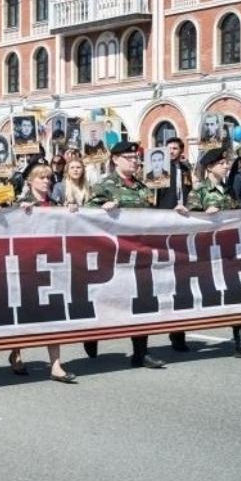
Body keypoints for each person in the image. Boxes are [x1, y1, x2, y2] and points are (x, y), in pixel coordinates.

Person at [84, 141, 165, 368]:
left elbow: (150, 216)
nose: (135, 161)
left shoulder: (142, 186)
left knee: (142, 298)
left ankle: (141, 352)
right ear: (115, 160)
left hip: (139, 252)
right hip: (112, 255)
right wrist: (102, 209)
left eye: (136, 158)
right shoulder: (105, 186)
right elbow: (86, 216)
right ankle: (92, 332)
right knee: (106, 298)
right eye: (129, 158)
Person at [185, 147, 241, 358]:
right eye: (222, 164)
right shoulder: (199, 191)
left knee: (238, 290)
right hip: (206, 254)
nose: (226, 166)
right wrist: (202, 214)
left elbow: (237, 209)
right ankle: (178, 332)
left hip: (228, 251)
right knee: (194, 294)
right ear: (210, 167)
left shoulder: (228, 190)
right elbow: (188, 221)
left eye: (226, 163)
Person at [9, 164, 77, 382]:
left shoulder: (56, 205)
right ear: (30, 181)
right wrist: (18, 213)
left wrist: (72, 213)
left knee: (53, 313)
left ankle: (56, 365)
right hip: (26, 264)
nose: (46, 181)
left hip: (52, 263)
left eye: (48, 178)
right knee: (23, 312)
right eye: (41, 178)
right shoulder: (20, 204)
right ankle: (16, 352)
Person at [155, 137, 195, 352]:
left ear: (181, 151)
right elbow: (155, 195)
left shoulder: (186, 168)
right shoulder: (159, 166)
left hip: (183, 220)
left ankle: (178, 333)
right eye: (168, 148)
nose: (171, 151)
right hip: (164, 219)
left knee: (180, 278)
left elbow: (190, 189)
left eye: (175, 148)